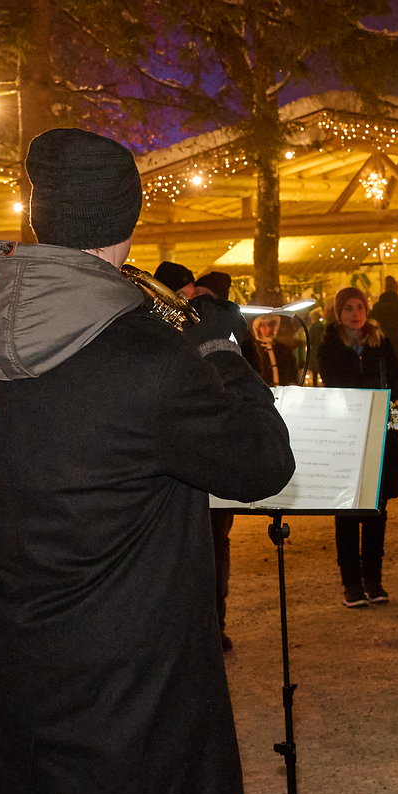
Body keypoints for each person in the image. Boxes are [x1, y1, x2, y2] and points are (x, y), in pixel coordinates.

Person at [0, 128, 294, 794]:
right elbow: (263, 464)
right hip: (128, 657)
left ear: (41, 216)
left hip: (15, 638)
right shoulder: (150, 359)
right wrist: (223, 354)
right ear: (127, 219)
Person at [154, 259, 244, 646]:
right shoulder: (157, 335)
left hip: (212, 451)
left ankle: (214, 623)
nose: (189, 303)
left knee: (215, 544)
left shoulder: (213, 330)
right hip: (180, 457)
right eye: (185, 294)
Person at [318, 286, 398, 606]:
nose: (355, 313)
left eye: (360, 307)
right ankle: (351, 583)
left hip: (380, 431)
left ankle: (374, 580)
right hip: (347, 433)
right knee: (347, 509)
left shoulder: (382, 343)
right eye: (348, 309)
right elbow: (330, 383)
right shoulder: (330, 346)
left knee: (376, 508)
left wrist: (388, 399)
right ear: (338, 314)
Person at [374, 276, 398, 395]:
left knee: (384, 375)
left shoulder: (377, 307)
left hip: (382, 344)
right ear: (397, 289)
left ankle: (387, 404)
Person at [246, 314, 299, 386]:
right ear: (257, 327)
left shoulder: (283, 348)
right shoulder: (251, 349)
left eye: (270, 325)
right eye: (263, 325)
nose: (268, 328)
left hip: (282, 392)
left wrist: (292, 383)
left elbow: (292, 369)